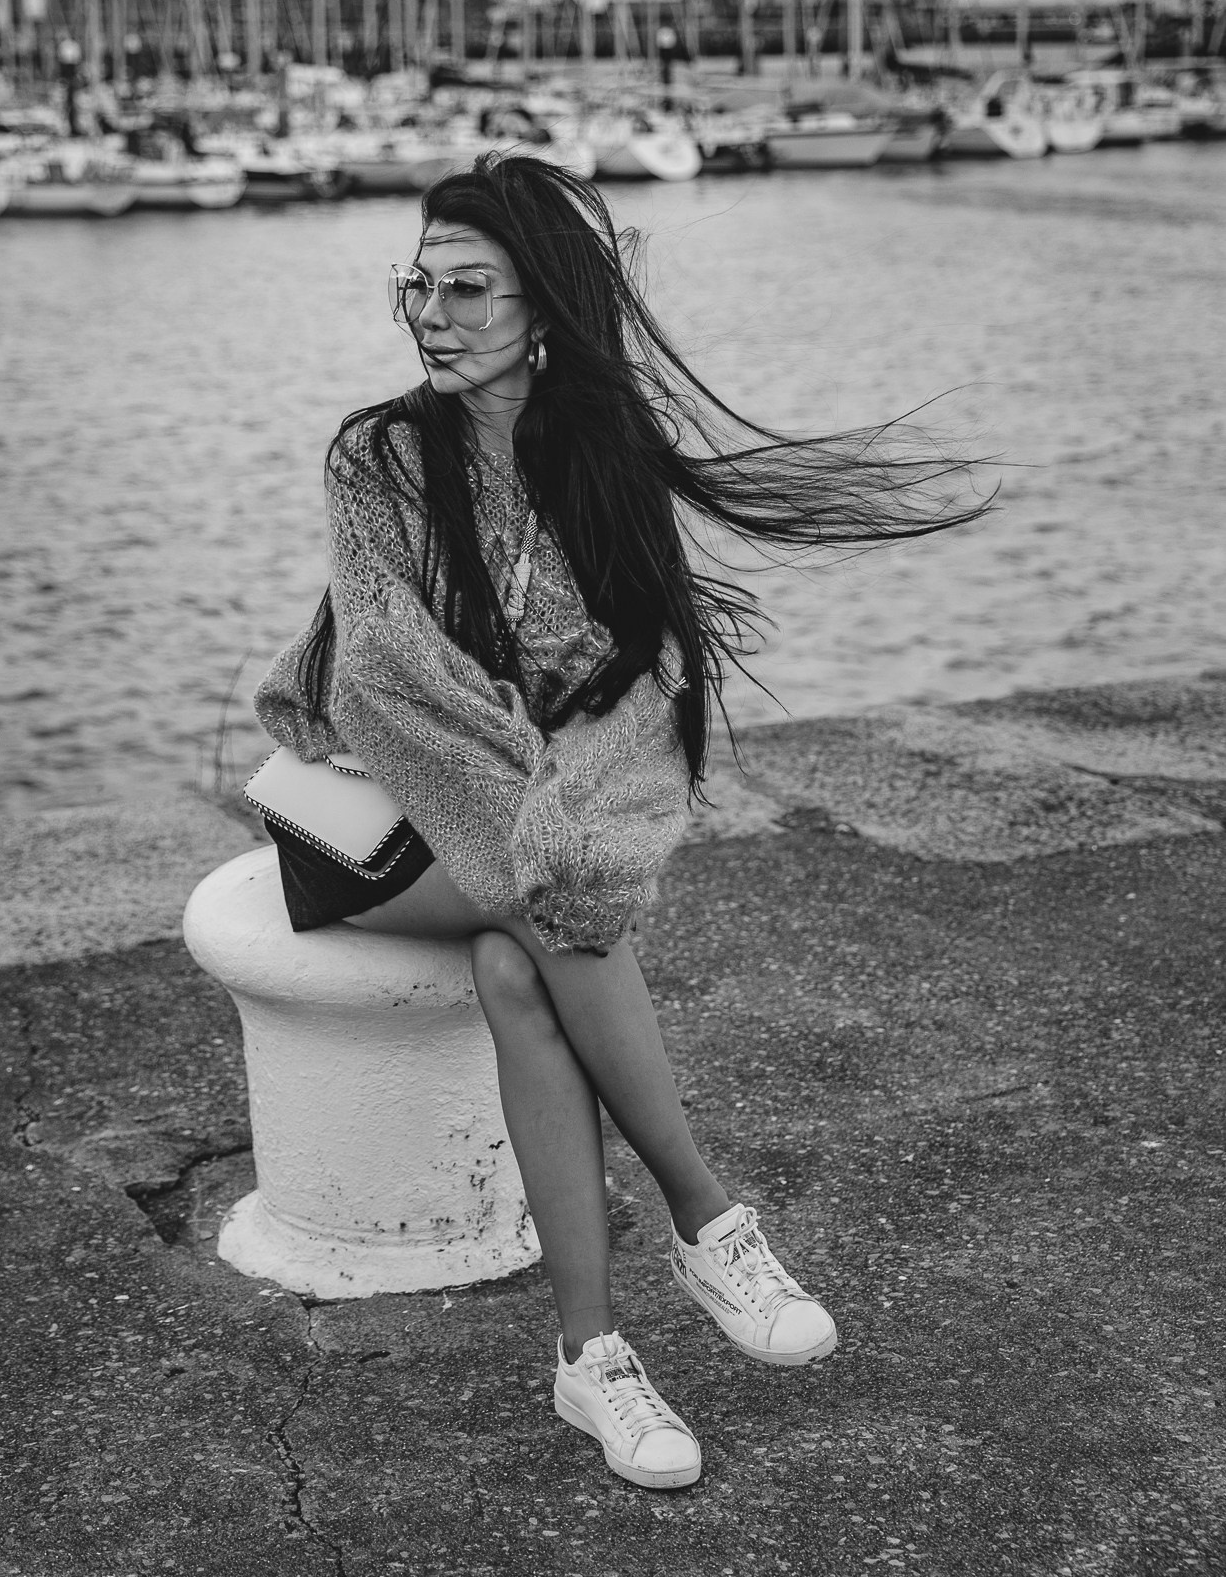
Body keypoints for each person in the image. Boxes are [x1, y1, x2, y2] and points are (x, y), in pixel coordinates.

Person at [254, 152, 988, 1492]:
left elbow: (634, 681)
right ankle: (708, 1217)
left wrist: (568, 818)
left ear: (543, 307)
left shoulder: (599, 460)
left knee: (517, 961)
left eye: (470, 289)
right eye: (419, 286)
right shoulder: (379, 456)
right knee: (562, 912)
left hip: (515, 842)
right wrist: (540, 829)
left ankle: (590, 1358)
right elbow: (386, 680)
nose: (434, 316)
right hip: (372, 835)